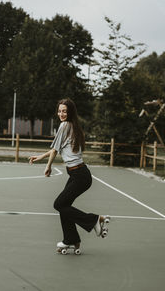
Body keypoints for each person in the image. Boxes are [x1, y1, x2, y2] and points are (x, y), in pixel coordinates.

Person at [29, 98, 109, 253]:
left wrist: (48, 166)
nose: (61, 114)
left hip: (79, 175)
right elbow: (55, 147)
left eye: (64, 111)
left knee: (59, 204)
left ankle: (94, 221)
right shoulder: (72, 126)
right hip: (77, 174)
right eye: (59, 111)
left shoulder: (65, 125)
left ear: (70, 112)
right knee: (64, 206)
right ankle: (71, 240)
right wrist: (41, 157)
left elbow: (55, 150)